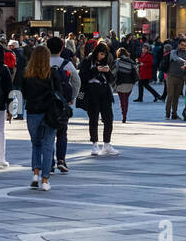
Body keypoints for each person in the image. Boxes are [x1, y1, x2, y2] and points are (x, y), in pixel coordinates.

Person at [22, 45, 64, 190]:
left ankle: (35, 173)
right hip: (50, 113)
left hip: (33, 112)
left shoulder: (27, 74)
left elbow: (24, 94)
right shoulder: (52, 74)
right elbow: (60, 92)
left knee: (36, 144)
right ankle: (45, 180)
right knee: (48, 146)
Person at [80, 42, 120, 157]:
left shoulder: (105, 62)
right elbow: (83, 77)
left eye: (104, 55)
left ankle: (107, 144)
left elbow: (111, 79)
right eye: (101, 54)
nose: (102, 57)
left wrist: (107, 72)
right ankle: (94, 144)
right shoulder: (87, 61)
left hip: (104, 92)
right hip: (91, 92)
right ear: (96, 52)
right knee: (93, 118)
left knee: (108, 118)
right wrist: (96, 70)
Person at [47, 36, 78, 173]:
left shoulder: (43, 62)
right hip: (62, 102)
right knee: (62, 131)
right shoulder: (67, 64)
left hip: (46, 101)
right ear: (62, 48)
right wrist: (72, 97)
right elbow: (77, 81)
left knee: (48, 133)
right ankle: (61, 160)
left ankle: (50, 162)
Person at [162, 38, 186, 121]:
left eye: (185, 45)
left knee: (176, 97)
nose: (184, 47)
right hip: (171, 76)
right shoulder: (174, 52)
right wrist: (184, 61)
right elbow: (175, 58)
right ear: (178, 45)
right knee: (170, 95)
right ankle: (167, 113)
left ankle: (174, 113)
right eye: (182, 45)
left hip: (181, 77)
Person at [112, 47, 138, 123]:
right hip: (129, 83)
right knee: (126, 100)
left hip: (120, 83)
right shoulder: (131, 61)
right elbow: (136, 71)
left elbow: (113, 72)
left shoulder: (117, 61)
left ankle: (124, 116)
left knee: (122, 100)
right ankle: (125, 115)